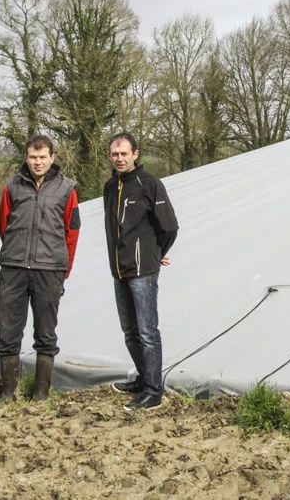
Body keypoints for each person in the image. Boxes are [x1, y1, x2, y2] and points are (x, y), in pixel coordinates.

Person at [0, 135, 80, 402]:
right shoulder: (12, 186)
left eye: (43, 157)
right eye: (33, 157)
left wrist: (62, 269)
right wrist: (15, 252)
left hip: (49, 269)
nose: (38, 162)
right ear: (26, 158)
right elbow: (3, 224)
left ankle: (41, 392)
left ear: (52, 158)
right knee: (8, 329)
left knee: (46, 332)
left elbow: (72, 231)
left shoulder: (67, 189)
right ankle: (9, 391)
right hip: (15, 267)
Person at [103, 132, 179, 411]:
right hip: (119, 269)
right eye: (115, 153)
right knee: (129, 330)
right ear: (110, 156)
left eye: (124, 153)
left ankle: (153, 391)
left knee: (147, 331)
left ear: (136, 154)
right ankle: (143, 377)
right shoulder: (111, 186)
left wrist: (155, 254)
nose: (119, 158)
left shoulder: (149, 183)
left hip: (143, 270)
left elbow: (169, 225)